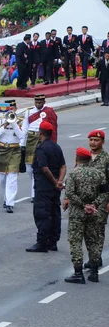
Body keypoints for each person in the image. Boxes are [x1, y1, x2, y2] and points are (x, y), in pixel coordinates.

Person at [63, 147, 106, 284]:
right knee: (93, 241)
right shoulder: (99, 174)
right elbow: (105, 193)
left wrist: (83, 205)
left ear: (77, 158)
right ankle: (94, 272)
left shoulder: (74, 174)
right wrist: (93, 205)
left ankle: (78, 273)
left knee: (75, 242)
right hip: (93, 213)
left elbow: (70, 193)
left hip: (77, 213)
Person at [26, 121, 66, 253]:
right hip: (55, 189)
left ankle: (42, 243)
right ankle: (53, 242)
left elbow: (44, 168)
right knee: (55, 213)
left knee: (42, 214)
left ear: (40, 133)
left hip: (44, 187)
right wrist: (59, 182)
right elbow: (63, 166)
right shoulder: (56, 147)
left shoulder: (41, 148)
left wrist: (54, 182)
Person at [21, 94, 58, 201]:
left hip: (43, 139)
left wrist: (53, 143)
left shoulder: (49, 111)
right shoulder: (28, 112)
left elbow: (53, 128)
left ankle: (34, 193)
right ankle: (35, 184)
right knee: (29, 167)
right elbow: (24, 128)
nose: (38, 104)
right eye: (36, 102)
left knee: (39, 165)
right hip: (31, 139)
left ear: (44, 102)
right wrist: (22, 144)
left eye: (40, 102)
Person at [0, 100, 26, 213]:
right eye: (9, 108)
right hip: (2, 149)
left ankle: (10, 202)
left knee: (12, 177)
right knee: (2, 178)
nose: (11, 110)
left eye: (13, 108)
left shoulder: (20, 121)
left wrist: (14, 123)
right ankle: (6, 198)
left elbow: (21, 136)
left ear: (16, 109)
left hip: (14, 150)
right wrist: (5, 124)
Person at [88, 129, 109, 269]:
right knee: (88, 231)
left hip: (101, 199)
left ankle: (96, 258)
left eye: (96, 140)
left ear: (102, 142)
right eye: (91, 140)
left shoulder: (106, 158)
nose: (93, 143)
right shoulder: (85, 156)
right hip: (86, 200)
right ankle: (92, 258)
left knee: (98, 230)